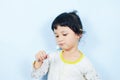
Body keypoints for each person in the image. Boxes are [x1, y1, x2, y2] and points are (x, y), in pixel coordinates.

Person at [31, 11, 101, 80]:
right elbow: (35, 75)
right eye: (57, 35)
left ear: (78, 34)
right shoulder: (52, 57)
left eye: (64, 34)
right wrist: (39, 62)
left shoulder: (85, 64)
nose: (60, 39)